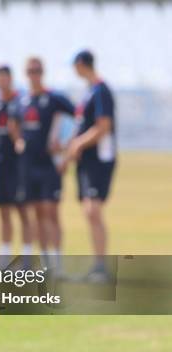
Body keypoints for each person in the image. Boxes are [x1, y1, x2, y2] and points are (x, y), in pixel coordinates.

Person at [8, 57, 74, 270]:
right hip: (28, 165)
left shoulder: (54, 98)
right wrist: (18, 140)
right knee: (35, 212)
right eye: (30, 71)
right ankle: (45, 261)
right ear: (26, 74)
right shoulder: (22, 100)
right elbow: (12, 123)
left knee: (51, 211)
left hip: (49, 164)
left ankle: (58, 261)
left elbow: (80, 117)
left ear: (42, 72)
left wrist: (65, 145)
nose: (33, 74)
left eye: (37, 70)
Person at [63, 50, 116, 281]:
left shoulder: (101, 91)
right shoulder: (89, 92)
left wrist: (78, 145)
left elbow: (103, 126)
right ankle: (97, 266)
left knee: (93, 210)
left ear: (81, 64)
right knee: (89, 211)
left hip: (99, 160)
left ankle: (101, 267)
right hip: (87, 161)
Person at [0, 65, 32, 261]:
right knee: (3, 209)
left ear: (11, 79)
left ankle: (27, 257)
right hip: (1, 162)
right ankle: (4, 257)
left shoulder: (21, 102)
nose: (2, 81)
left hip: (18, 164)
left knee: (22, 210)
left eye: (5, 77)